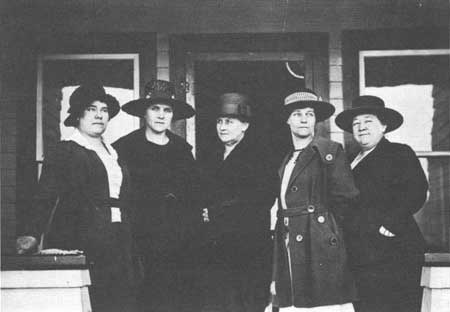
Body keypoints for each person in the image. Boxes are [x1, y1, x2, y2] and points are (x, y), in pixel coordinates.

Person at [16, 84, 137, 312]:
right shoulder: (66, 150)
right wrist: (32, 232)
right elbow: (45, 194)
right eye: (92, 109)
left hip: (117, 240)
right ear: (78, 114)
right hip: (80, 236)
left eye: (104, 110)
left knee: (118, 300)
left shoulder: (113, 154)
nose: (100, 115)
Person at [112, 79, 200, 312]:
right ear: (144, 113)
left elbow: (194, 198)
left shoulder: (182, 151)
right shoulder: (125, 148)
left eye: (167, 110)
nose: (161, 115)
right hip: (139, 244)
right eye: (155, 108)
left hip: (178, 246)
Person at [335, 95, 428, 312]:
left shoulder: (398, 153)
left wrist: (391, 223)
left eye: (368, 121)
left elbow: (416, 190)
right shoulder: (349, 160)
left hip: (393, 251)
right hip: (360, 254)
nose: (361, 127)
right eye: (356, 123)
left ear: (383, 126)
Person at [271, 88, 359, 312]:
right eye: (297, 114)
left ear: (316, 120)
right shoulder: (287, 159)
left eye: (309, 114)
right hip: (290, 241)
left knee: (322, 304)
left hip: (318, 243)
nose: (303, 119)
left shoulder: (328, 150)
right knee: (294, 301)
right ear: (288, 119)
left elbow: (346, 199)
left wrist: (327, 233)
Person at [200, 93, 278, 312]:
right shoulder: (211, 155)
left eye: (230, 121)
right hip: (216, 251)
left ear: (245, 125)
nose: (223, 127)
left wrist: (213, 213)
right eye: (219, 121)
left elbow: (259, 199)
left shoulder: (260, 157)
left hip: (248, 251)